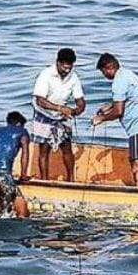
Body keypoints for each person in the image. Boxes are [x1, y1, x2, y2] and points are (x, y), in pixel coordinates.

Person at [92, 53, 138, 188]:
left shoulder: (118, 82)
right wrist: (109, 106)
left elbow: (119, 111)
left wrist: (101, 119)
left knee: (137, 165)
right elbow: (126, 99)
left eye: (103, 72)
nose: (104, 75)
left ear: (109, 68)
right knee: (136, 161)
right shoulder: (127, 74)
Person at [31, 48, 86, 181]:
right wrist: (60, 108)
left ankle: (71, 180)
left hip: (62, 116)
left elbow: (81, 100)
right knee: (44, 149)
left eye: (69, 68)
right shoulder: (46, 75)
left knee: (67, 147)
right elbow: (40, 100)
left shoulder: (73, 77)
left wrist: (77, 110)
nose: (66, 71)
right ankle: (44, 180)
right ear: (58, 63)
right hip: (44, 114)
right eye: (64, 68)